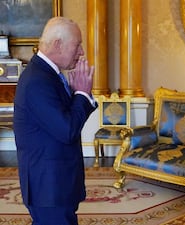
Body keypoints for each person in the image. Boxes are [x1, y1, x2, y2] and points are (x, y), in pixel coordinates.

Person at [13, 17, 98, 225]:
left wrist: (76, 94)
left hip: (55, 183)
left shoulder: (48, 74)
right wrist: (81, 94)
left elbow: (64, 122)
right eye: (77, 45)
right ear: (58, 44)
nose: (81, 52)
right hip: (49, 187)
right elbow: (67, 130)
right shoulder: (37, 80)